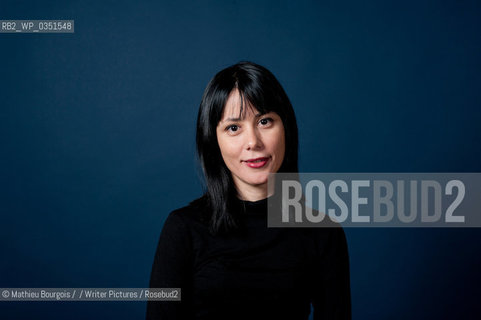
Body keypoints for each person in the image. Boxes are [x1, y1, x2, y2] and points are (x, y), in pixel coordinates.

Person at [146, 61, 351, 320]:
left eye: (265, 121)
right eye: (233, 128)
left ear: (285, 127)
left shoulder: (323, 234)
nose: (253, 142)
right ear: (213, 140)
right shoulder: (183, 229)